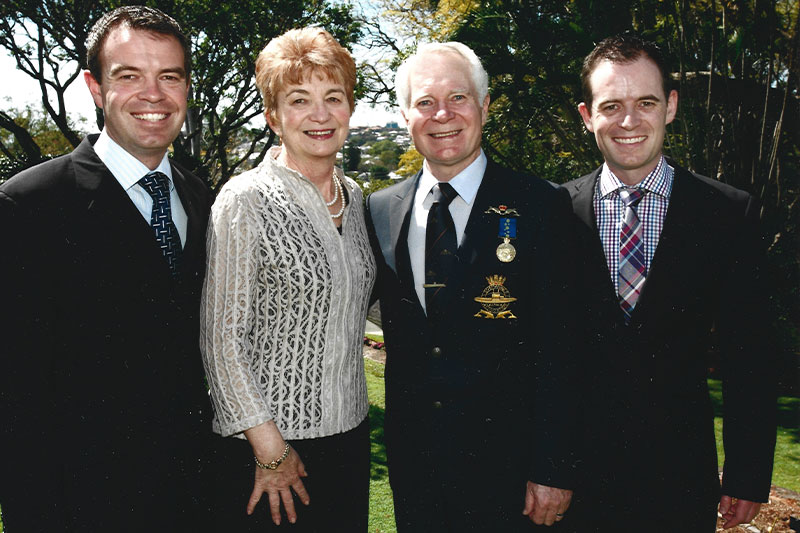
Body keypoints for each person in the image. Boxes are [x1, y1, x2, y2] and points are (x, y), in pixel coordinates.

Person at [0, 6, 214, 530]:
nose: (153, 94)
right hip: (86, 504)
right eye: (129, 76)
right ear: (96, 88)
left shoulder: (202, 197)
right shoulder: (28, 205)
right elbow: (15, 395)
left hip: (195, 498)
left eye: (169, 76)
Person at [563, 34, 777, 532]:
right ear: (586, 115)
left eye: (646, 103)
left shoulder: (726, 214)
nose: (629, 121)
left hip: (678, 481)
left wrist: (747, 472)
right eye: (611, 105)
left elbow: (751, 354)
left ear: (671, 106)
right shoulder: (554, 212)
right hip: (574, 481)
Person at [365, 42, 580, 531]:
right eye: (425, 102)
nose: (443, 114)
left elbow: (562, 347)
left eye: (459, 97)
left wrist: (553, 467)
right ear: (404, 114)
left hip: (511, 477)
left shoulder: (541, 204)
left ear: (484, 106)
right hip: (416, 471)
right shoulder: (377, 210)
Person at [200, 27, 375, 532]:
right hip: (268, 451)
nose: (319, 115)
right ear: (273, 116)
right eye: (299, 100)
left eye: (333, 97)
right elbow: (221, 339)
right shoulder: (245, 200)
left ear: (349, 108)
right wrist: (272, 452)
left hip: (350, 437)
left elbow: (358, 301)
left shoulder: (359, 198)